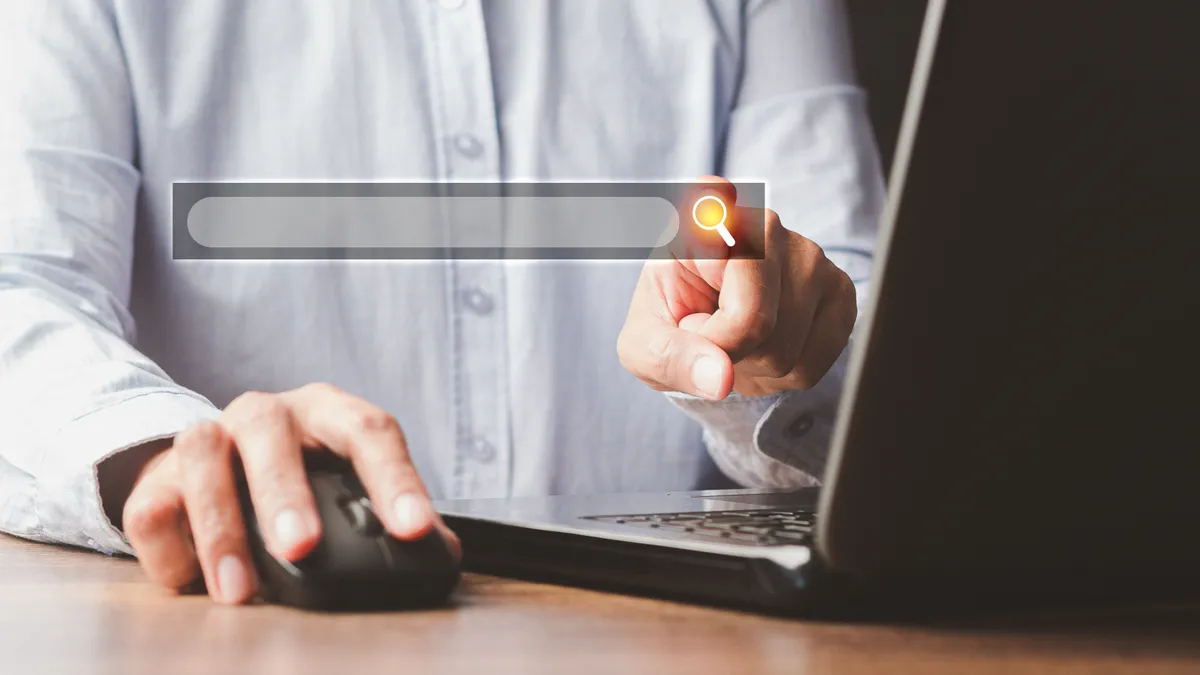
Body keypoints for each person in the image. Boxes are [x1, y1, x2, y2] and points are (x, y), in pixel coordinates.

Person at [0, 0, 882, 604]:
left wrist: (777, 336)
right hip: (257, 632)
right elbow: (21, 286)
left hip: (677, 639)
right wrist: (163, 449)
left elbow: (864, 294)